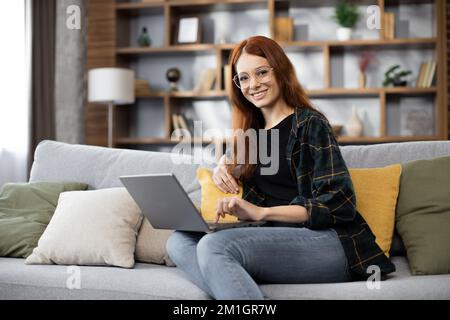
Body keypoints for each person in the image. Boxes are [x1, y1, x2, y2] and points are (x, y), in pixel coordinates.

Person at [166, 35, 395, 300]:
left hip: (327, 241)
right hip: (273, 239)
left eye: (261, 72)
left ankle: (231, 278)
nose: (254, 84)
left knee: (214, 247)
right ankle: (234, 282)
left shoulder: (310, 124)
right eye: (244, 78)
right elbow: (234, 160)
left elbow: (339, 203)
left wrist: (261, 213)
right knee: (179, 241)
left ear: (280, 70)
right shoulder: (251, 134)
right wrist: (223, 164)